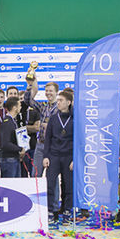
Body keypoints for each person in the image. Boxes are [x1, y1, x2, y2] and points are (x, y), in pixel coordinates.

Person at [42, 91, 74, 221]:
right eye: (58, 100)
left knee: (68, 186)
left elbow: (79, 140)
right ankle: (50, 211)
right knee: (50, 185)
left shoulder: (75, 119)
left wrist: (74, 159)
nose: (58, 102)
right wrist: (46, 156)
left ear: (68, 102)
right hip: (54, 156)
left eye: (61, 100)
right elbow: (48, 139)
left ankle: (67, 211)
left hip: (68, 157)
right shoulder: (54, 118)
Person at [24, 77, 59, 178]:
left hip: (53, 146)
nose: (48, 93)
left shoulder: (60, 108)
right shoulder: (43, 106)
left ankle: (53, 190)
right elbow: (28, 101)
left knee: (52, 176)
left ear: (56, 92)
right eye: (46, 91)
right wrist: (30, 85)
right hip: (40, 145)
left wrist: (50, 126)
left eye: (51, 91)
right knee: (35, 175)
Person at [12, 86, 40, 177]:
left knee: (33, 174)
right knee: (22, 175)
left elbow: (37, 128)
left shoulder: (34, 111)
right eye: (20, 99)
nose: (22, 102)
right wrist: (29, 128)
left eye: (24, 99)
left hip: (32, 146)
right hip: (20, 148)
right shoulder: (16, 113)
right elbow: (14, 129)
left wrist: (23, 128)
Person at [0, 97, 25, 178]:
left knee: (16, 184)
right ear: (14, 108)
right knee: (10, 184)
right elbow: (5, 144)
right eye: (19, 105)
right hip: (9, 159)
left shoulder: (13, 121)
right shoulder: (7, 122)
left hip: (14, 158)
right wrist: (20, 149)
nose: (21, 107)